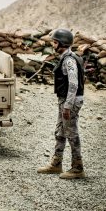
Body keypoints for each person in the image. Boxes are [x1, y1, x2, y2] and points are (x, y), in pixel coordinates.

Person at [37, 28, 85, 179]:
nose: (53, 45)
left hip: (70, 101)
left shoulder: (69, 60)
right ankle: (56, 164)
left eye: (55, 42)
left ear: (61, 43)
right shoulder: (67, 57)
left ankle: (78, 168)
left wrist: (68, 106)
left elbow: (73, 85)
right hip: (65, 100)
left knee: (71, 133)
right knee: (60, 131)